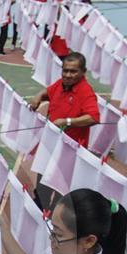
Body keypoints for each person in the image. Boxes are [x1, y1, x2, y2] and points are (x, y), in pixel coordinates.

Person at [28, 52, 100, 209]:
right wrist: (38, 96)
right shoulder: (61, 84)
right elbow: (48, 92)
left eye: (73, 71)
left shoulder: (85, 92)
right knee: (42, 178)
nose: (68, 75)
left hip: (68, 150)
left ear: (83, 72)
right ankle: (41, 205)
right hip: (50, 142)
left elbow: (93, 117)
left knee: (60, 186)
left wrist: (68, 122)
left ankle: (55, 214)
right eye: (65, 70)